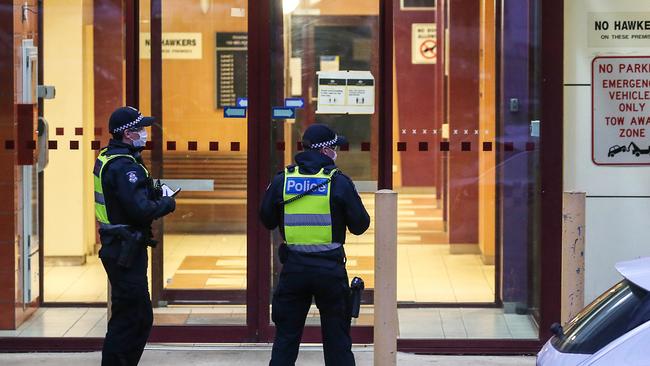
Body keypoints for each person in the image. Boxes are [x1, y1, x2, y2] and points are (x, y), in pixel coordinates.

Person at [260, 124, 371, 366]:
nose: (336, 151)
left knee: (286, 340)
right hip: (329, 272)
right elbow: (361, 225)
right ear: (325, 151)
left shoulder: (283, 180)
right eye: (334, 147)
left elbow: (266, 219)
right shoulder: (338, 182)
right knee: (337, 342)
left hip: (293, 270)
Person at [93, 106, 176, 365]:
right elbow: (141, 210)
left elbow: (128, 199)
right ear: (128, 133)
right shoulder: (124, 166)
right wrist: (167, 202)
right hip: (124, 248)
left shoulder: (111, 157)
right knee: (133, 317)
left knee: (132, 315)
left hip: (120, 245)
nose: (144, 134)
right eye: (141, 129)